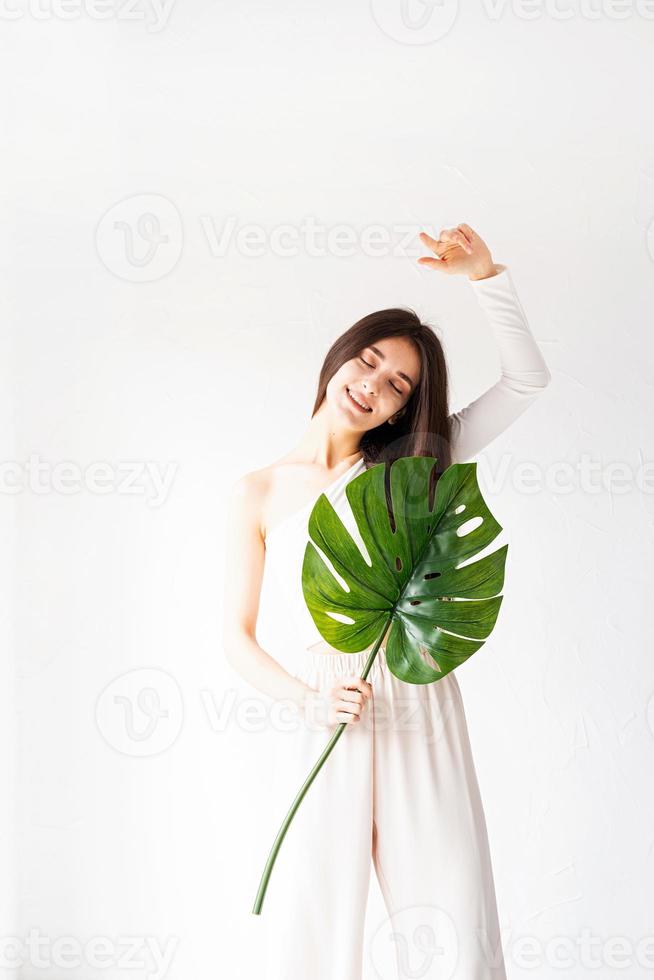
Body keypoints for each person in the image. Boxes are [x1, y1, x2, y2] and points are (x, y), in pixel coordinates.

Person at [222, 223, 552, 980]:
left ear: (405, 409)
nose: (373, 383)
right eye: (369, 361)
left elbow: (528, 381)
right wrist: (306, 697)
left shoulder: (415, 465)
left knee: (452, 921)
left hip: (416, 695)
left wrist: (486, 276)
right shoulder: (257, 491)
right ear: (339, 357)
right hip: (327, 703)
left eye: (398, 384)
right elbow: (235, 637)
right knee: (313, 929)